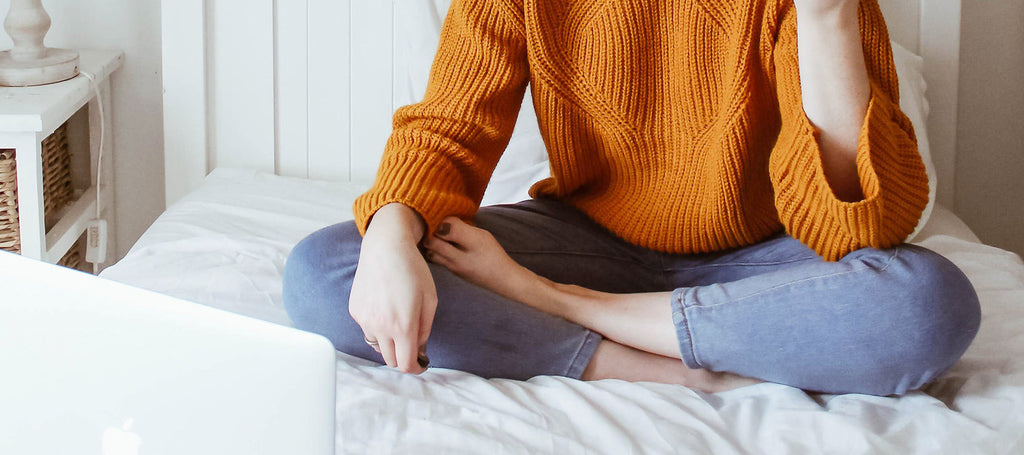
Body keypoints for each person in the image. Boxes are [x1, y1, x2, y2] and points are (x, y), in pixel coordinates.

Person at [282, 0, 981, 396]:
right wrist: (392, 232)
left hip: (766, 259)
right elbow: (450, 131)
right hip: (590, 240)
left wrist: (827, 16)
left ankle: (572, 313)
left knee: (926, 303)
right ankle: (653, 361)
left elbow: (861, 227)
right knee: (329, 270)